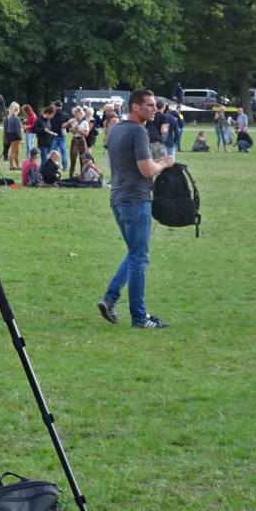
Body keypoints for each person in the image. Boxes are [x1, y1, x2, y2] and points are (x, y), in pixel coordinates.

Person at [97, 89, 175, 330]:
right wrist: (165, 162)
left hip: (118, 197)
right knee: (140, 258)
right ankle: (139, 317)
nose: (154, 109)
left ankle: (110, 298)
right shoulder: (138, 132)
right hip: (136, 200)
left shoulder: (116, 129)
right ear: (135, 107)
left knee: (134, 253)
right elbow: (146, 169)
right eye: (149, 105)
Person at [65, 107, 90, 178]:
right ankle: (71, 176)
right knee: (73, 160)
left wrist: (79, 129)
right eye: (75, 115)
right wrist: (71, 129)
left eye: (78, 115)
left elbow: (86, 134)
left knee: (83, 160)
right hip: (75, 141)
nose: (76, 116)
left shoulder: (85, 122)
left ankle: (83, 176)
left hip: (82, 141)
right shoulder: (73, 121)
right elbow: (70, 130)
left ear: (82, 115)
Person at [3, 102, 22, 170]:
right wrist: (20, 138)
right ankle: (11, 166)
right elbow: (17, 130)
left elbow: (5, 129)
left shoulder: (7, 118)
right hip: (15, 136)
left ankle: (17, 165)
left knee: (16, 151)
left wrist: (5, 137)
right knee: (14, 151)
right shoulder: (16, 118)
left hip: (9, 135)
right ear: (17, 109)